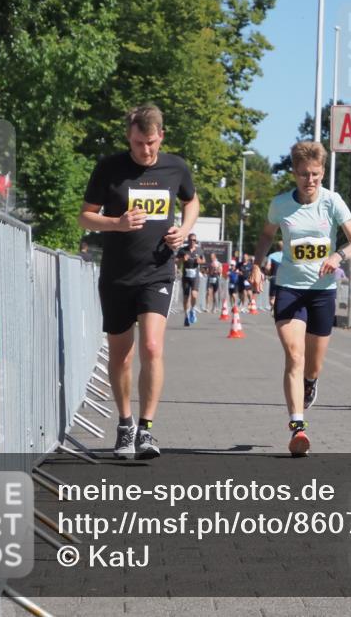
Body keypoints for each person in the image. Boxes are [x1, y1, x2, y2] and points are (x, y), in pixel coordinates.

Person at [78, 104, 198, 459]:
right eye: (137, 143)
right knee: (122, 356)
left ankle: (146, 430)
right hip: (117, 274)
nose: (144, 151)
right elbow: (85, 217)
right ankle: (125, 424)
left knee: (151, 347)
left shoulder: (175, 167)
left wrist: (184, 231)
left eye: (149, 143)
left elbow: (192, 202)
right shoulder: (110, 168)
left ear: (161, 135)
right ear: (128, 139)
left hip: (157, 271)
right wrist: (116, 223)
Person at [250, 141, 351, 456]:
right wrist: (257, 266)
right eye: (303, 175)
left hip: (322, 292)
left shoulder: (332, 202)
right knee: (294, 356)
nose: (309, 181)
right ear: (294, 174)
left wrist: (339, 256)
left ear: (322, 172)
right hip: (289, 288)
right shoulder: (280, 205)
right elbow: (266, 235)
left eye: (314, 174)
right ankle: (297, 427)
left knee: (312, 365)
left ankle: (310, 383)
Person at [177, 234, 204, 326]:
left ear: (196, 241)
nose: (192, 242)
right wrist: (182, 259)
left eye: (194, 240)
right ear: (188, 240)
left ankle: (192, 309)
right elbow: (176, 260)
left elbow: (203, 261)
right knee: (185, 297)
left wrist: (199, 261)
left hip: (195, 275)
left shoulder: (199, 250)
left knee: (194, 295)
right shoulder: (183, 250)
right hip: (186, 276)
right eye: (191, 240)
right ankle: (186, 315)